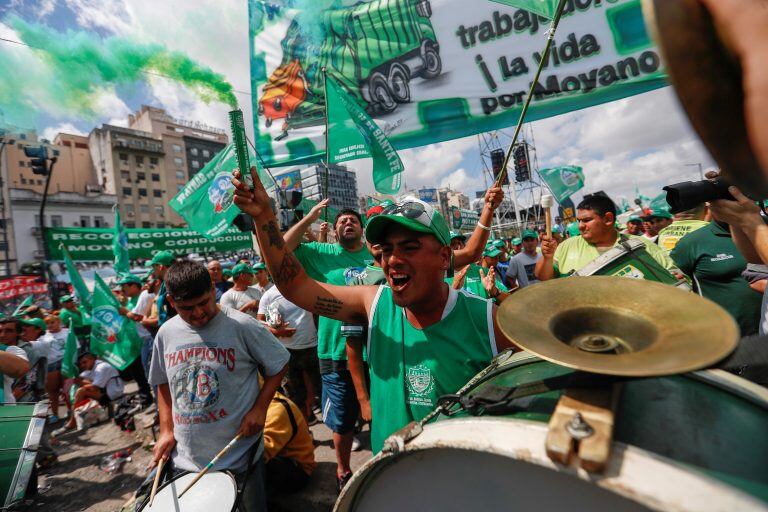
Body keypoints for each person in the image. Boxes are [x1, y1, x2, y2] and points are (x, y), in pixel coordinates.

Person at [233, 169, 516, 463]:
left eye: (409, 247)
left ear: (444, 258)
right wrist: (263, 215)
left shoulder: (488, 321)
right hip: (385, 482)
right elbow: (295, 286)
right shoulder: (374, 302)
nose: (393, 260)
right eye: (386, 250)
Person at [149, 260, 289, 512]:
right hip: (186, 458)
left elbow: (279, 364)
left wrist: (260, 408)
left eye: (204, 302)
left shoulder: (242, 325)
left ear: (213, 290)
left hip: (239, 454)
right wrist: (166, 430)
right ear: (171, 302)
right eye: (186, 308)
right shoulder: (166, 333)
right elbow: (161, 382)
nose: (199, 313)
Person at [535, 195, 675, 281]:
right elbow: (544, 278)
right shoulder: (567, 246)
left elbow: (675, 279)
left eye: (587, 220)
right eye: (579, 221)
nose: (580, 226)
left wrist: (675, 278)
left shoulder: (642, 245)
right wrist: (547, 258)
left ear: (608, 219)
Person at [671, 219, 761, 336]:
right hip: (730, 336)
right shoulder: (692, 243)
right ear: (708, 204)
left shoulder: (763, 228)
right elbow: (672, 278)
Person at [257, 283, 320, 423]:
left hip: (314, 347)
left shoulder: (305, 286)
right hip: (287, 352)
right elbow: (259, 321)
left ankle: (342, 431)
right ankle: (306, 435)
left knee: (325, 391)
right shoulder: (269, 295)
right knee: (296, 396)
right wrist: (276, 331)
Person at [263, 390, 316, 498]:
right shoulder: (264, 403)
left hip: (298, 471)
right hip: (281, 458)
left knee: (253, 465)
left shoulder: (277, 410)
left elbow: (261, 454)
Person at [59, 352, 125, 431]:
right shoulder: (93, 368)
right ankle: (78, 417)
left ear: (93, 359)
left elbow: (95, 387)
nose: (83, 365)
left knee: (81, 391)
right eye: (81, 364)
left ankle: (72, 422)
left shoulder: (101, 368)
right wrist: (73, 380)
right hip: (106, 392)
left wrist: (81, 386)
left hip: (113, 394)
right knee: (80, 383)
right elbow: (80, 378)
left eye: (85, 362)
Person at [116, 274, 154, 406]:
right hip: (131, 344)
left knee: (144, 373)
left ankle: (148, 397)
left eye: (124, 286)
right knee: (138, 374)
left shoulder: (143, 297)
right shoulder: (130, 300)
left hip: (141, 342)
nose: (122, 289)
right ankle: (145, 396)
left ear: (133, 285)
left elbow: (136, 317)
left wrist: (124, 310)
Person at [39, 315, 70, 422]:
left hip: (66, 362)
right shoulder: (43, 337)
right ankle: (55, 414)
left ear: (59, 322)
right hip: (51, 365)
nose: (50, 325)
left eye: (53, 322)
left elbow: (75, 348)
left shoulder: (68, 332)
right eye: (48, 323)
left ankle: (72, 410)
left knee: (67, 389)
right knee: (52, 392)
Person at [0, 317, 30, 404]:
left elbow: (22, 370)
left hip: (7, 409)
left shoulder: (14, 350)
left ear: (18, 333)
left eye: (8, 331)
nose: (2, 335)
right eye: (0, 331)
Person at [144, 250, 177, 328]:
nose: (153, 271)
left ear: (160, 266)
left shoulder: (172, 283)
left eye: (153, 267)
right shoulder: (167, 282)